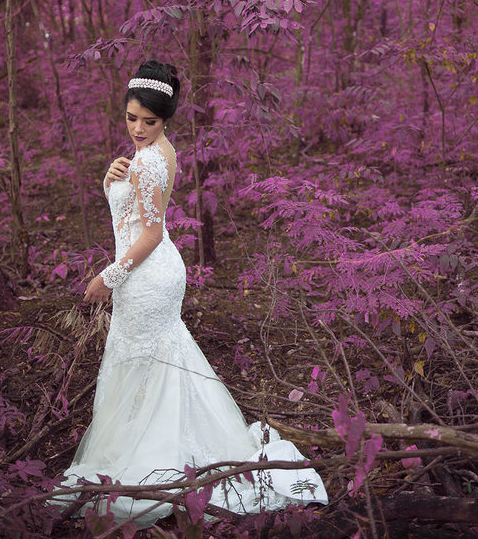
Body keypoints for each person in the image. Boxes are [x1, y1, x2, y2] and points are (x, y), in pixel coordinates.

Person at [51, 60, 328, 526]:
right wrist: (109, 180)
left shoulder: (150, 161)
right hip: (150, 273)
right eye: (131, 117)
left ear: (165, 120)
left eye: (149, 121)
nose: (138, 128)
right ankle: (165, 443)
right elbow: (136, 216)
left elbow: (152, 234)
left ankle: (155, 459)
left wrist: (108, 278)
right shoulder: (159, 152)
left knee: (144, 362)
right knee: (152, 362)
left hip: (147, 275)